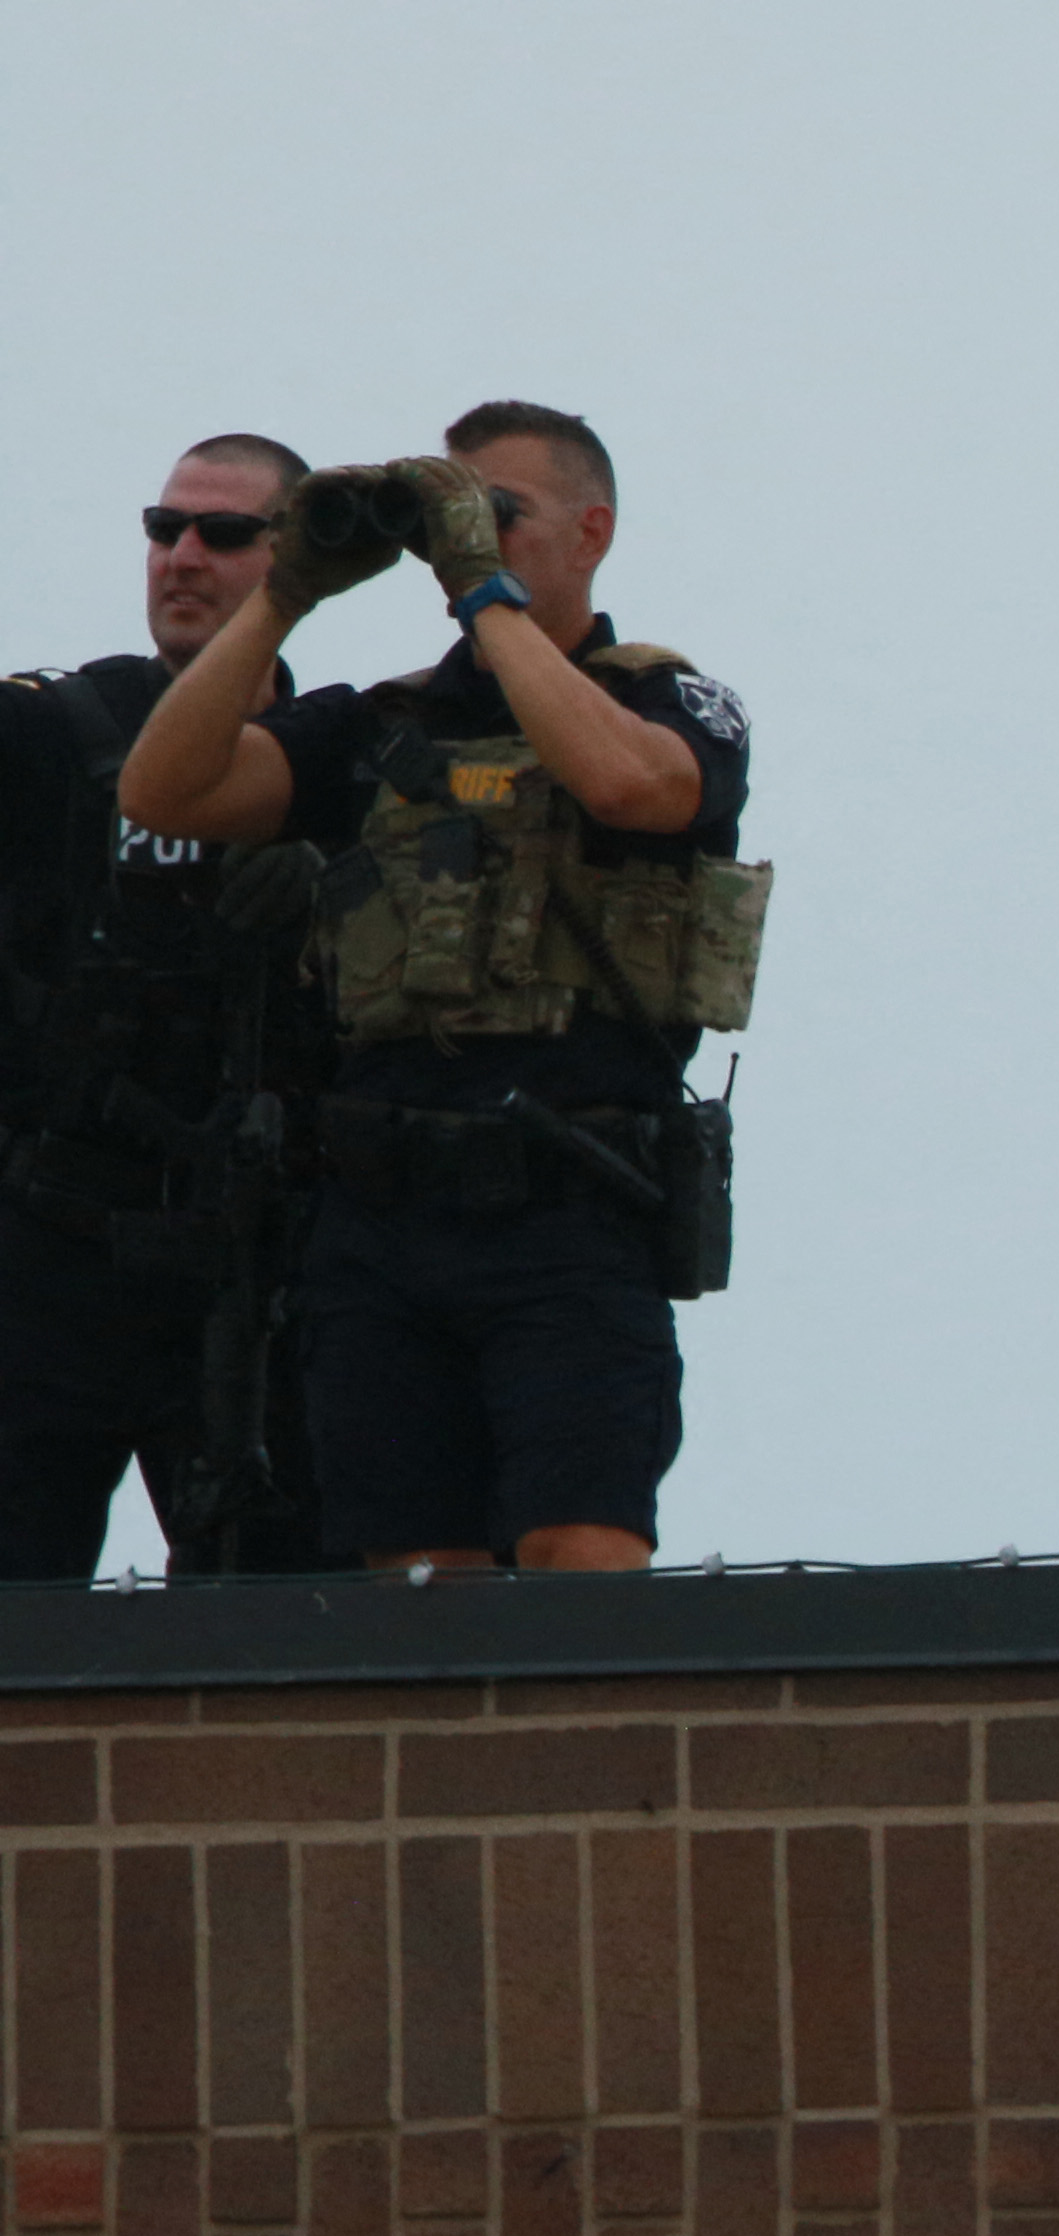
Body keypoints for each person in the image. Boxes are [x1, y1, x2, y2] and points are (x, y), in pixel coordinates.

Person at [119, 401, 761, 1574]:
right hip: (381, 1218)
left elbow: (631, 786)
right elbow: (164, 791)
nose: (468, 536)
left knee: (578, 1556)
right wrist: (285, 595)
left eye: (499, 512)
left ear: (591, 532)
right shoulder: (384, 722)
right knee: (416, 1586)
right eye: (451, 516)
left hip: (569, 1204)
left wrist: (484, 595)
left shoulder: (664, 701)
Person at [0, 434, 344, 1578]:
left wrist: (334, 884)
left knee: (284, 1620)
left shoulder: (339, 761)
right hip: (50, 1245)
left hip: (257, 1262)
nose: (183, 556)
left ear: (295, 559)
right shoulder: (51, 731)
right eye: (164, 528)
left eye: (225, 533)